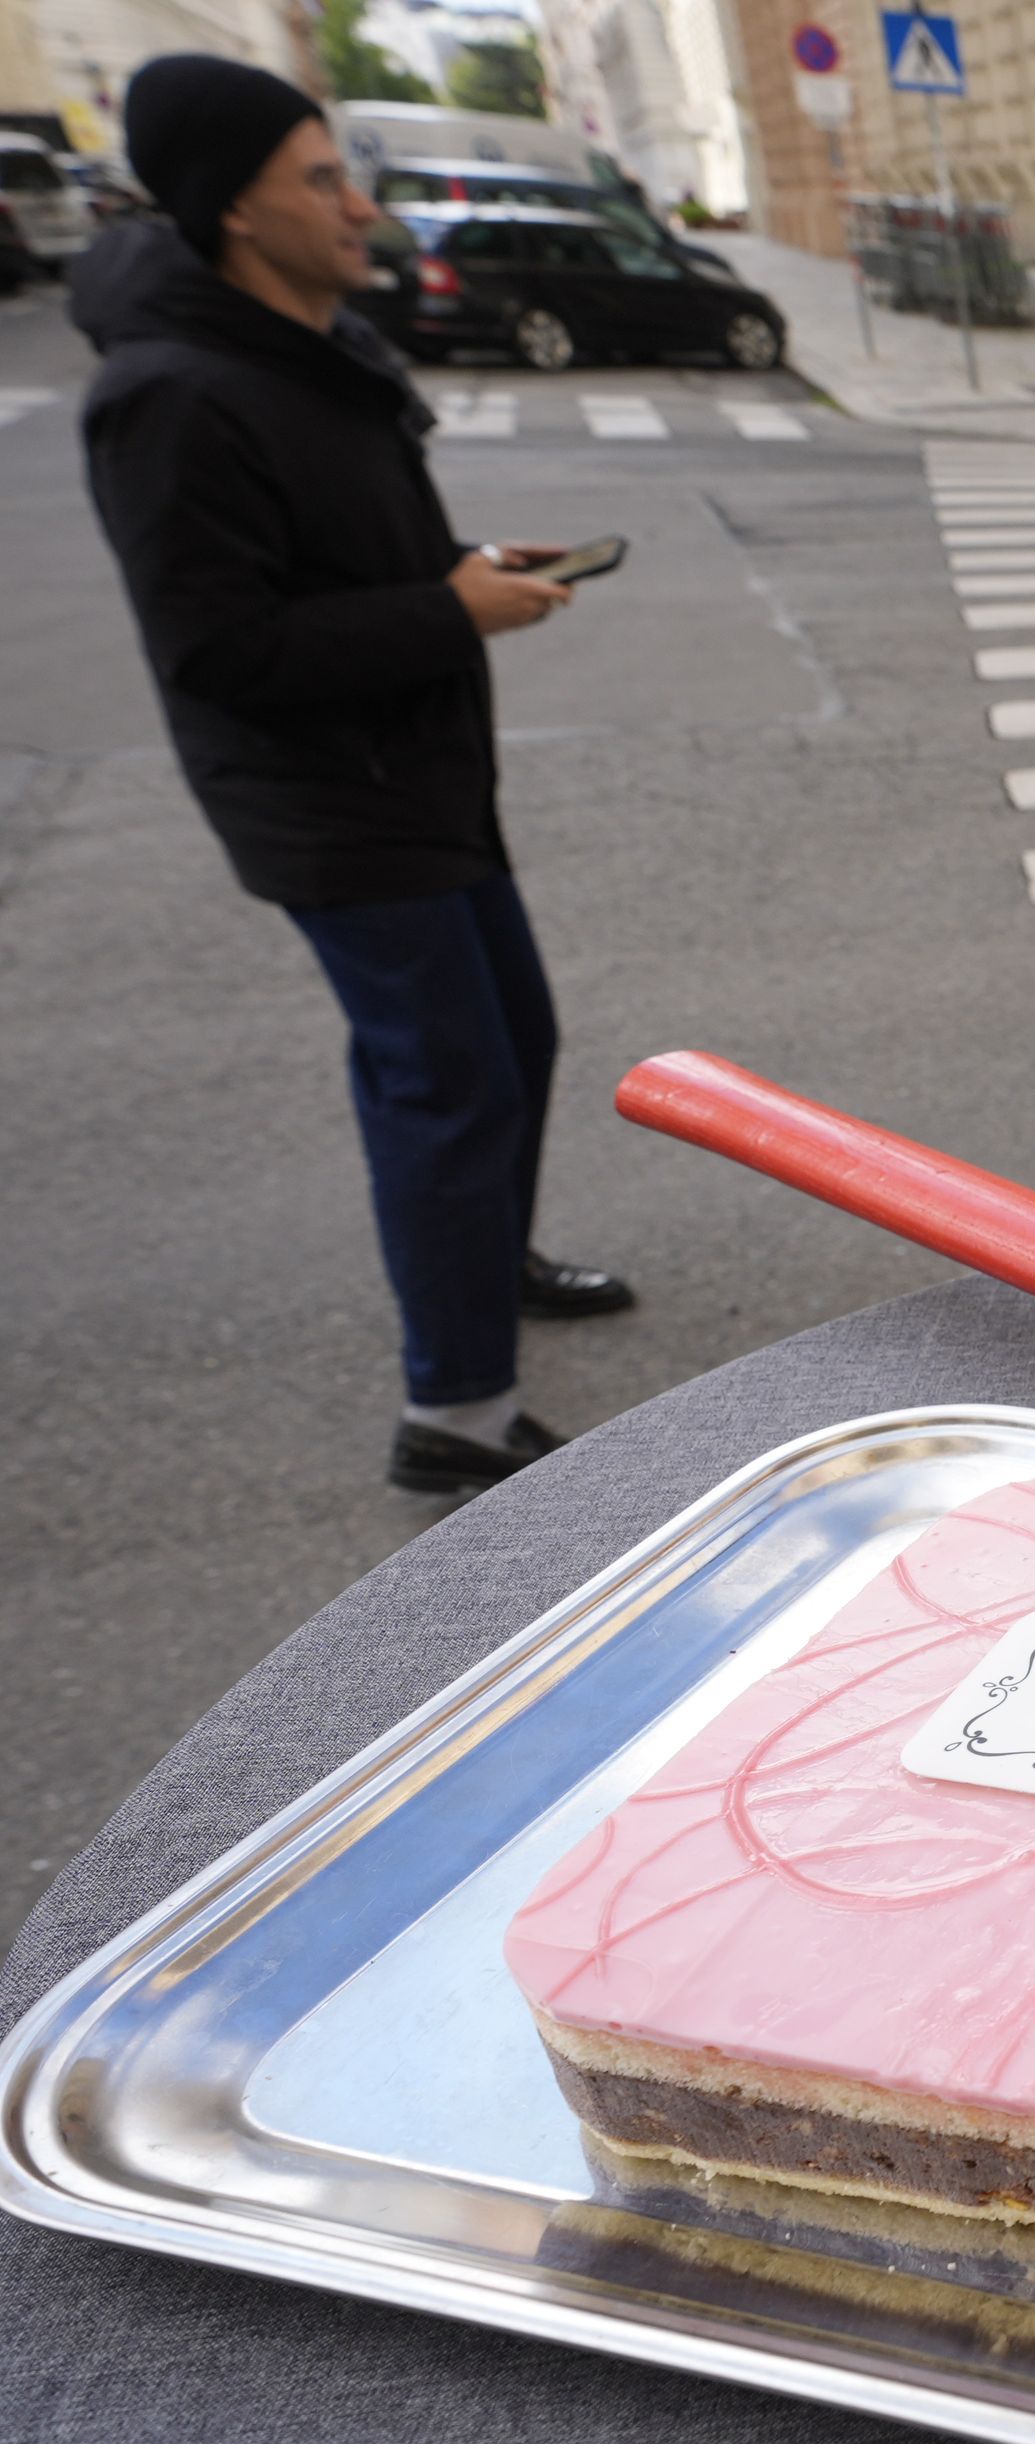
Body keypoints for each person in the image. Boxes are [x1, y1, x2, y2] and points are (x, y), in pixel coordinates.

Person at [76, 57, 631, 1497]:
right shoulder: (172, 394)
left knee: (512, 1038)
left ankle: (479, 1261)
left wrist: (463, 575)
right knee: (444, 1079)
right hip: (336, 799)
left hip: (422, 768)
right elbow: (218, 647)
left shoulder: (302, 351)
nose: (357, 206)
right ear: (233, 208)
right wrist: (447, 615)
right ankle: (452, 1414)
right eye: (320, 178)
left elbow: (337, 558)